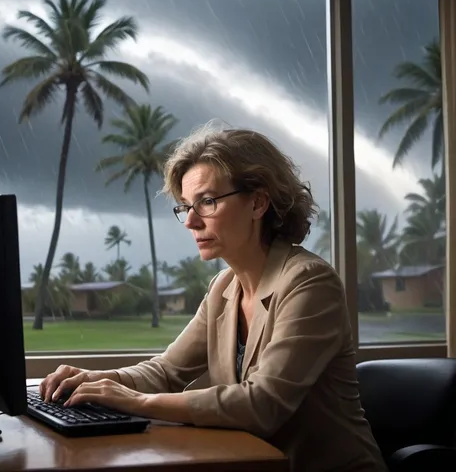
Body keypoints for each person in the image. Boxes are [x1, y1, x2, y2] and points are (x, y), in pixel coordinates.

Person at [40, 127, 386, 471]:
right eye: (186, 207)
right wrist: (98, 380)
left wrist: (139, 402)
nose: (191, 221)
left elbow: (262, 404)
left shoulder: (309, 282)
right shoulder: (224, 288)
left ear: (258, 202)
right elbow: (166, 371)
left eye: (207, 202)